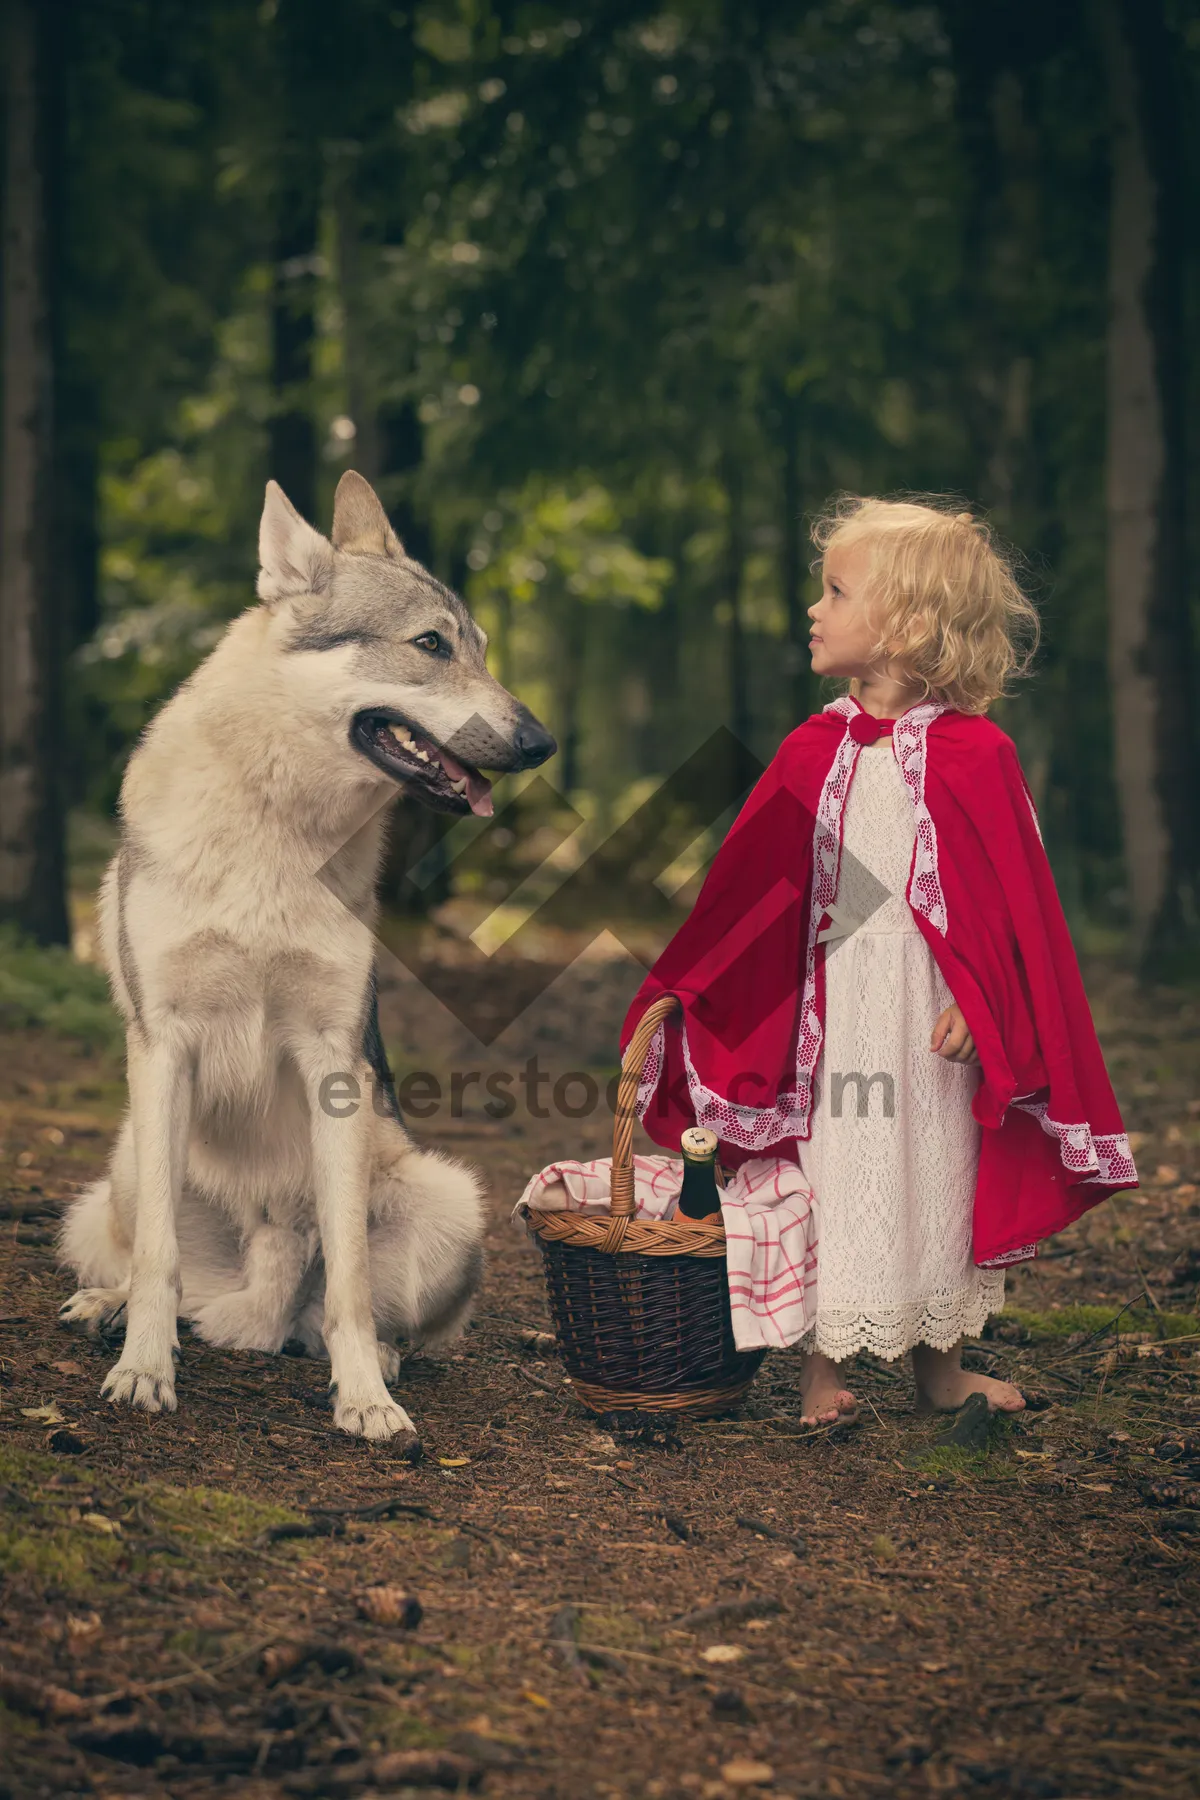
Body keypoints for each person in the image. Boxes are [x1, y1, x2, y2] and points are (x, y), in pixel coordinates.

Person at [620, 495, 1138, 1427]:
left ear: (905, 623)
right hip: (833, 1009)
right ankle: (825, 1369)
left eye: (836, 591)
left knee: (939, 1171)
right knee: (834, 1168)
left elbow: (1019, 911)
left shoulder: (981, 754)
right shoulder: (810, 750)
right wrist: (697, 991)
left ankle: (940, 1365)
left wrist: (990, 1010)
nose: (813, 609)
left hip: (935, 1010)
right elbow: (747, 898)